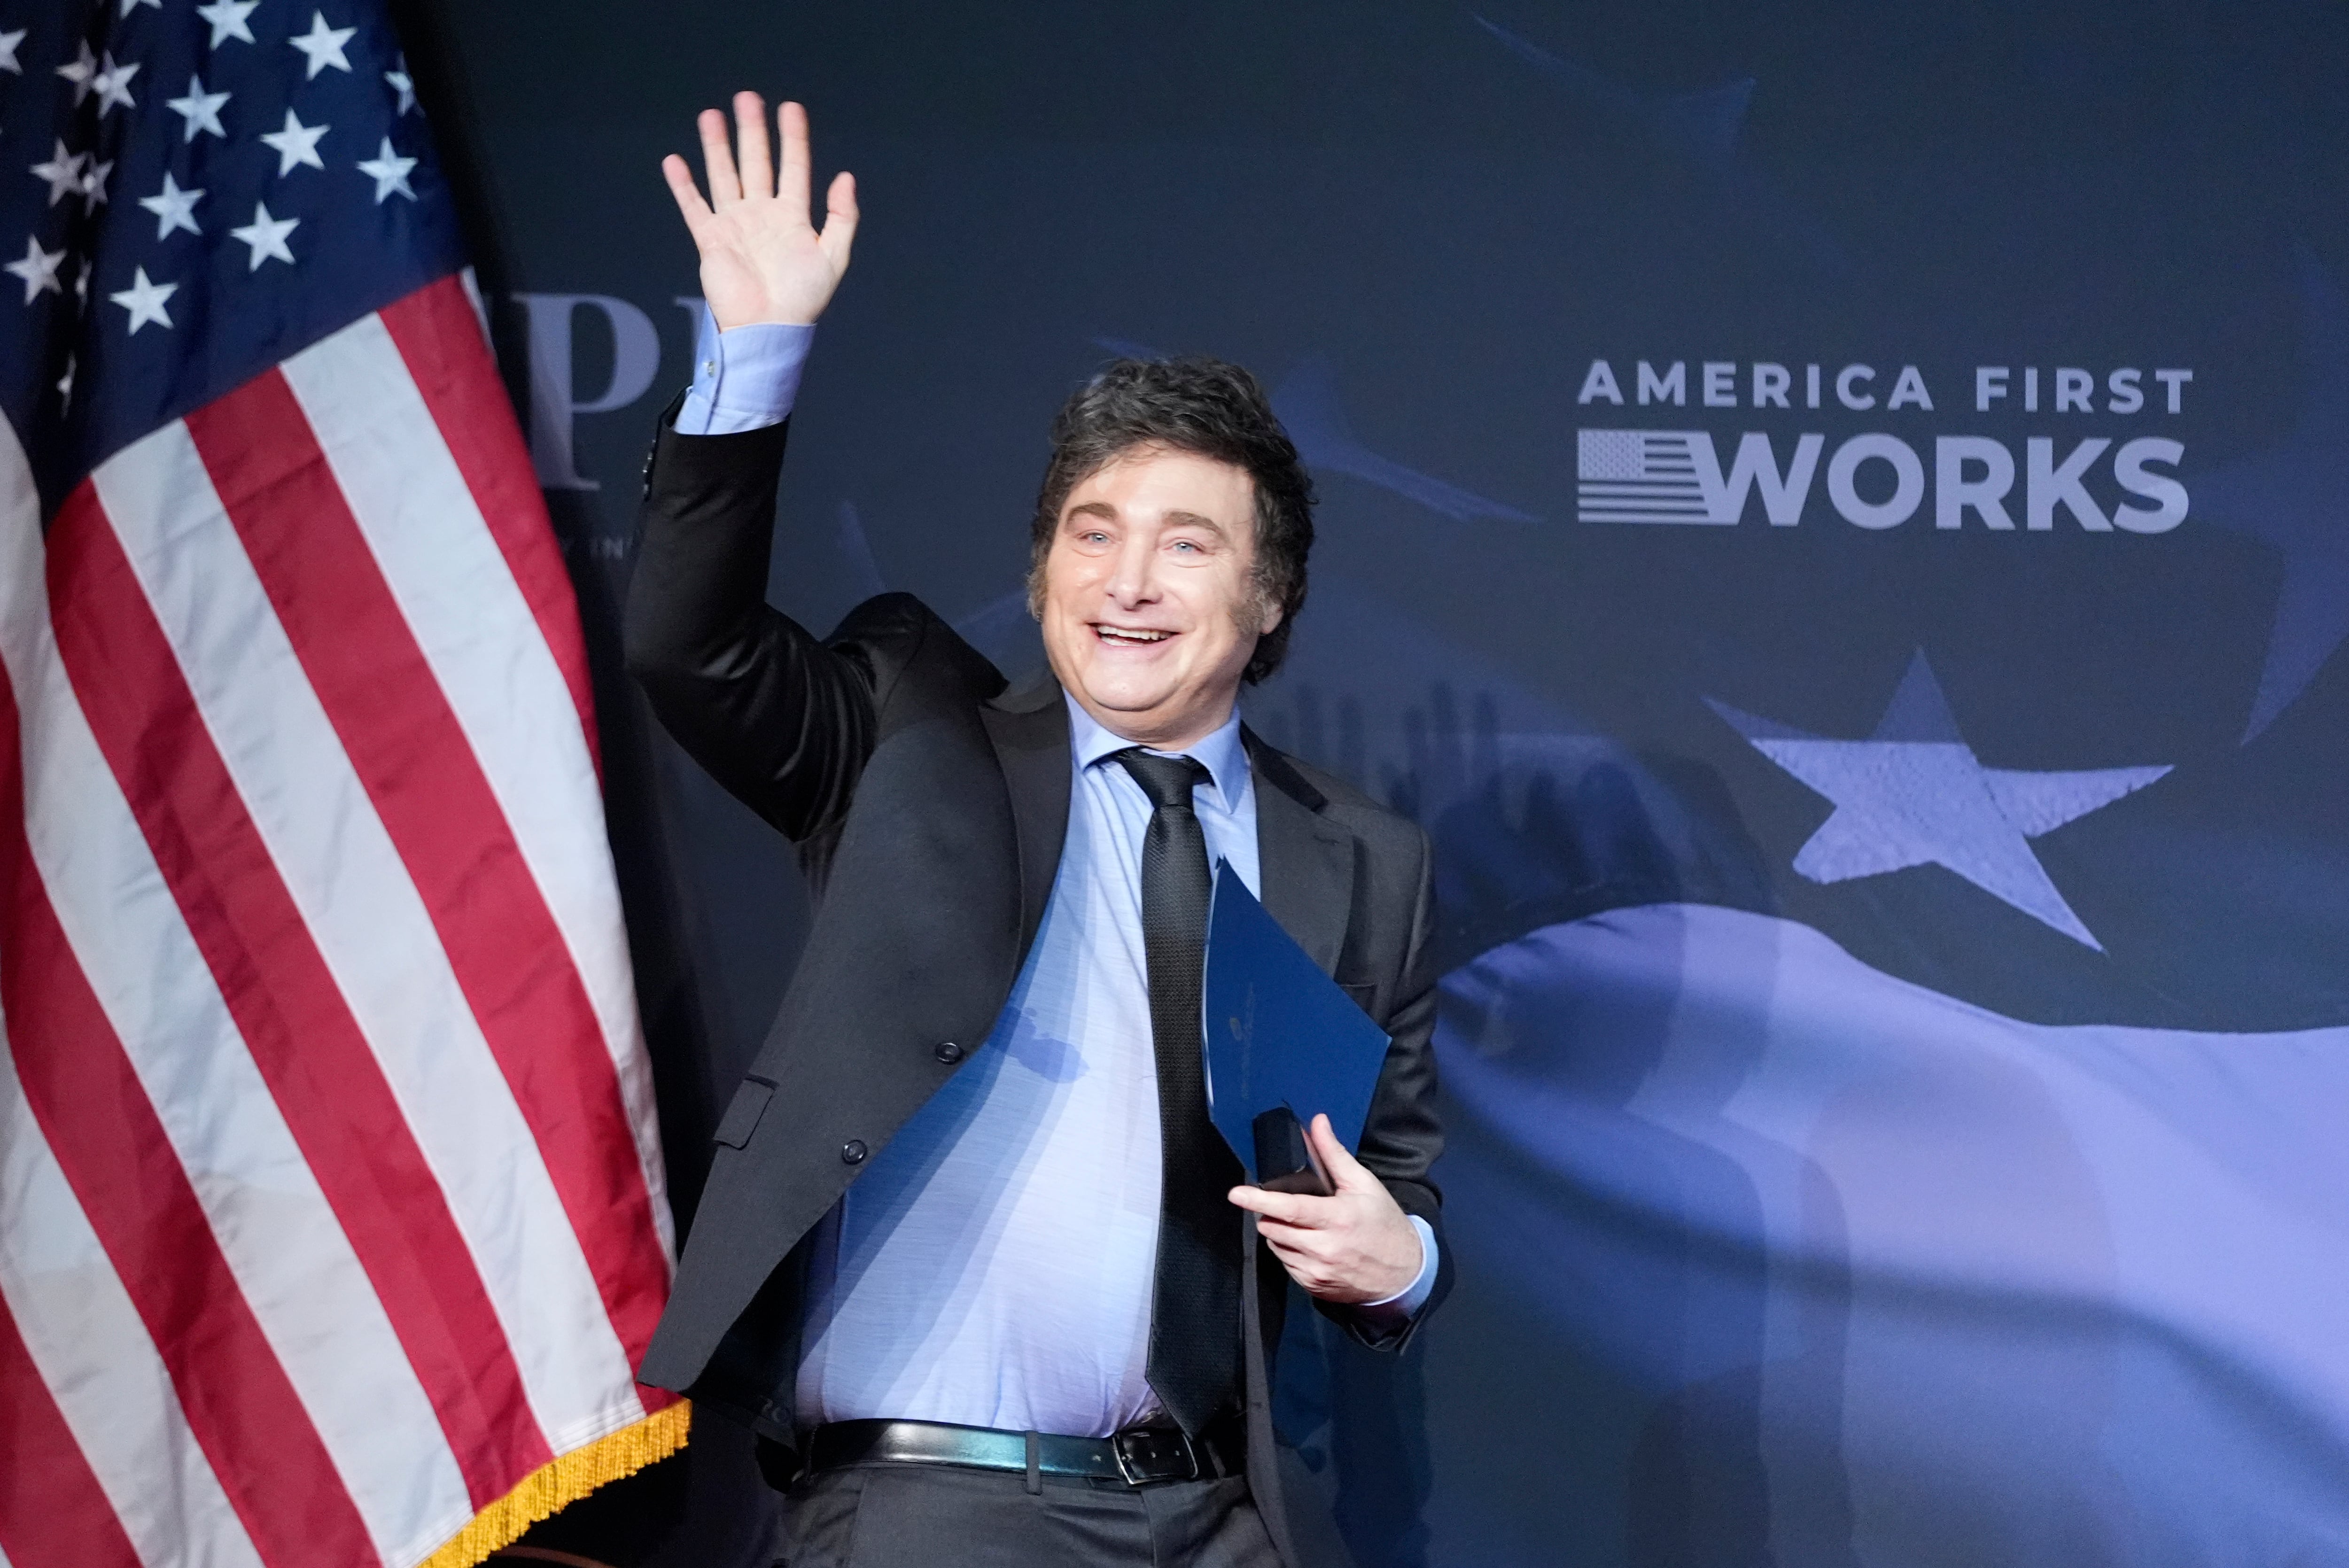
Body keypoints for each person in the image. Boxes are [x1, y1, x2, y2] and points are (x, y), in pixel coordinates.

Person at [626, 92, 1451, 1568]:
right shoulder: (905, 729)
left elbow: (1396, 1177)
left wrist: (1404, 1264)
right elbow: (690, 648)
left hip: (1218, 1519)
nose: (1127, 579)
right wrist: (753, 352)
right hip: (930, 1510)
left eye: (1186, 543)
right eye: (1092, 530)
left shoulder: (1362, 860)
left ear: (1269, 600)